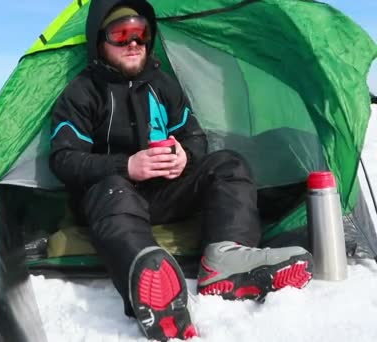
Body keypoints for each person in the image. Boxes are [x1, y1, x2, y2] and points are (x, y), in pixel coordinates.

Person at [49, 0, 313, 340]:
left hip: (165, 192)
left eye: (140, 33)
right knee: (111, 188)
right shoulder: (81, 94)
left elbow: (194, 135)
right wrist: (126, 165)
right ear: (100, 41)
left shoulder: (163, 85)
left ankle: (227, 259)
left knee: (228, 164)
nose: (133, 43)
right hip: (113, 200)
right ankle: (148, 281)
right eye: (120, 34)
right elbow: (64, 159)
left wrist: (185, 155)